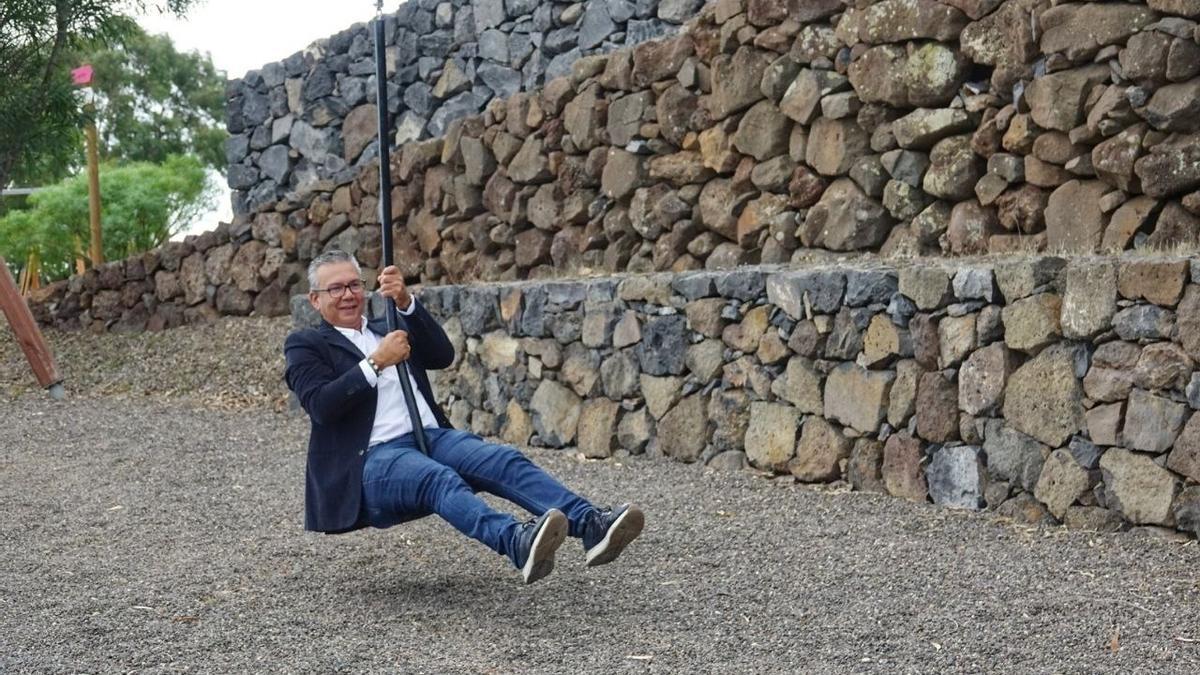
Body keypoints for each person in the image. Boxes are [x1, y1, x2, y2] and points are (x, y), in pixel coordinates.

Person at [284, 250, 644, 584]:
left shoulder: (388, 326)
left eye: (353, 285)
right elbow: (321, 405)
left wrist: (406, 302)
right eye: (335, 289)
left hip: (430, 438)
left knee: (503, 460)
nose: (348, 295)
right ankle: (515, 541)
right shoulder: (306, 345)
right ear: (316, 299)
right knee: (436, 479)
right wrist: (376, 361)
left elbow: (441, 354)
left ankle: (592, 524)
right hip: (372, 461)